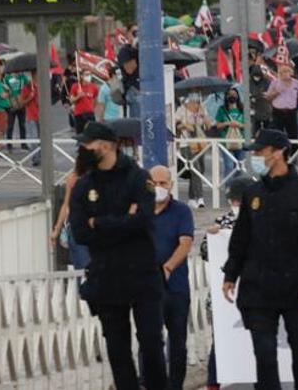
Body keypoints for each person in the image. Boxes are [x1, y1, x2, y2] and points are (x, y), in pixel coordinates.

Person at [222, 128, 298, 390]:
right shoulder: (253, 193)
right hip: (258, 287)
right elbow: (241, 238)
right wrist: (230, 274)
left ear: (279, 152)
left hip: (296, 287)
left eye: (261, 151)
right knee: (264, 356)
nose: (257, 156)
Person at [67, 121, 167, 390]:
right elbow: (79, 233)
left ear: (107, 146)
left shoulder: (137, 177)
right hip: (106, 276)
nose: (83, 148)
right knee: (117, 349)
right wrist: (122, 219)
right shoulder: (83, 185)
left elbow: (143, 221)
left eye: (88, 144)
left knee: (151, 344)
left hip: (142, 275)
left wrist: (99, 223)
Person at [203, 175, 256, 390]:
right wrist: (212, 237)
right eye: (233, 201)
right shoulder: (223, 222)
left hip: (256, 294)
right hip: (225, 296)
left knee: (259, 344)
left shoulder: (263, 221)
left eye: (239, 200)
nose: (235, 205)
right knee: (222, 342)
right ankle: (213, 383)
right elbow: (206, 253)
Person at [145, 165, 195, 390]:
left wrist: (169, 267)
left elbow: (186, 243)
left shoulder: (181, 211)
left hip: (175, 286)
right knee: (148, 340)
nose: (158, 188)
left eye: (163, 183)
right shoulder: (139, 211)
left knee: (177, 343)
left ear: (171, 185)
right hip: (146, 287)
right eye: (153, 183)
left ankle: (175, 385)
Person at [50, 140, 94, 271]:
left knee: (84, 268)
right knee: (84, 268)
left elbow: (66, 206)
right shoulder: (74, 179)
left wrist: (56, 231)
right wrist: (56, 230)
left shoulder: (75, 178)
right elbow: (66, 206)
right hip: (80, 229)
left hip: (86, 228)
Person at [174, 93, 215, 208]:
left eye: (198, 101)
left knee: (199, 170)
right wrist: (185, 126)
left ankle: (192, 198)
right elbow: (176, 125)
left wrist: (203, 115)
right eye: (194, 101)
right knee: (195, 168)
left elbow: (208, 126)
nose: (196, 103)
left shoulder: (202, 110)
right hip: (186, 143)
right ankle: (200, 198)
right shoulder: (181, 110)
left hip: (200, 143)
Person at [267, 61, 298, 139]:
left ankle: (292, 150)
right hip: (278, 112)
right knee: (277, 134)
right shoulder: (275, 83)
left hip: (291, 112)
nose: (284, 74)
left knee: (293, 134)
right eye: (282, 72)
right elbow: (268, 98)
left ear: (291, 72)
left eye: (286, 71)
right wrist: (276, 92)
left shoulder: (296, 83)